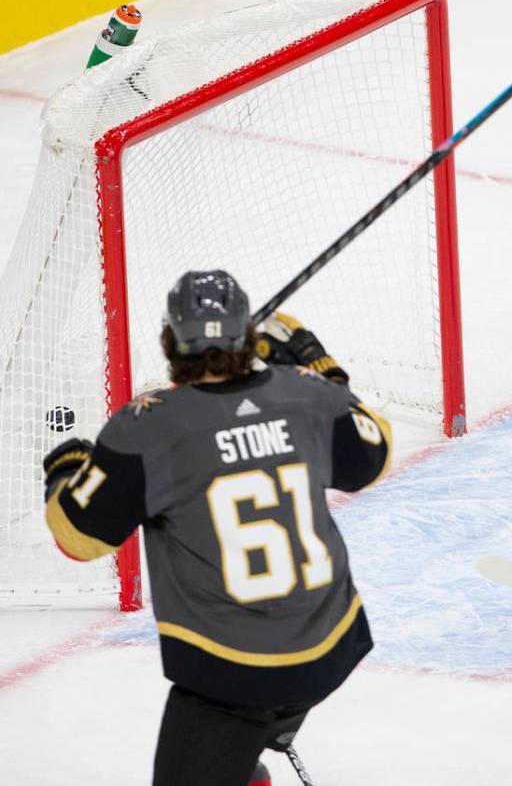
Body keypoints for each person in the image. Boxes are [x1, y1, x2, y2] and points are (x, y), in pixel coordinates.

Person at [42, 271, 391, 786]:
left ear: (170, 339)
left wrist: (67, 466)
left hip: (233, 673)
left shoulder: (147, 429)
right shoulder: (304, 395)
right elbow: (371, 455)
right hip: (331, 648)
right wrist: (315, 363)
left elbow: (78, 538)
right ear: (247, 337)